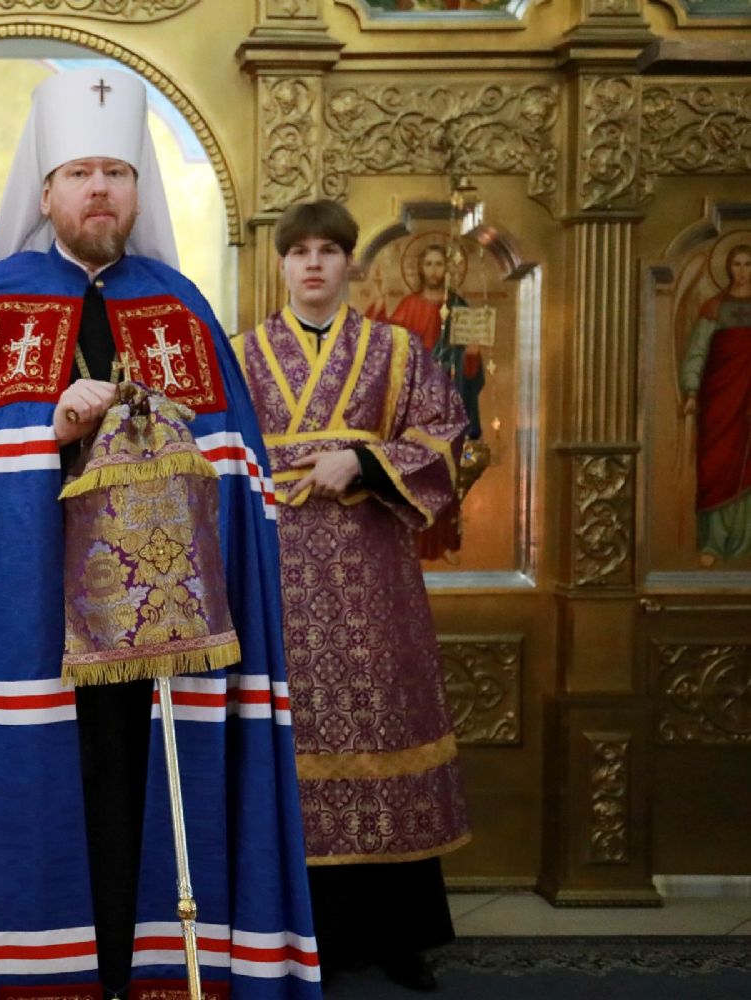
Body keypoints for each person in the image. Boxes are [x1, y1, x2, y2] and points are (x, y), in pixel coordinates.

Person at [0, 69, 318, 1000]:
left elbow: (238, 475)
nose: (99, 189)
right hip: (29, 636)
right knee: (44, 802)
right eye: (80, 173)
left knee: (146, 801)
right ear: (46, 191)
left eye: (116, 172)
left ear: (137, 190)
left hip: (164, 642)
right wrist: (50, 432)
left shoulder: (181, 308)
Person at [235, 200, 471, 991]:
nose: (313, 264)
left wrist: (364, 463)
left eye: (328, 251)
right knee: (291, 734)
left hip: (372, 575)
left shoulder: (397, 350)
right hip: (279, 574)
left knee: (382, 723)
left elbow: (445, 433)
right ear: (281, 264)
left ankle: (397, 935)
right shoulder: (242, 356)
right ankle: (301, 933)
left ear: (349, 265)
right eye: (299, 251)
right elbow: (215, 453)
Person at [368, 242, 485, 561]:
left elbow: (471, 367)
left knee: (448, 471)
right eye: (429, 264)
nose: (434, 270)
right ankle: (412, 545)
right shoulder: (410, 305)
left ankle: (444, 543)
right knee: (417, 471)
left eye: (439, 264)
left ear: (448, 269)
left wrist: (471, 356)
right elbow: (389, 344)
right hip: (416, 404)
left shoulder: (459, 307)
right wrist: (379, 302)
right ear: (420, 268)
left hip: (449, 402)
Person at [680, 243, 751, 565]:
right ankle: (713, 542)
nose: (742, 271)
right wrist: (692, 391)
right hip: (720, 399)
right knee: (716, 464)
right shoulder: (715, 307)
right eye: (737, 264)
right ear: (727, 268)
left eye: (748, 264)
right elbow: (698, 351)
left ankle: (745, 542)